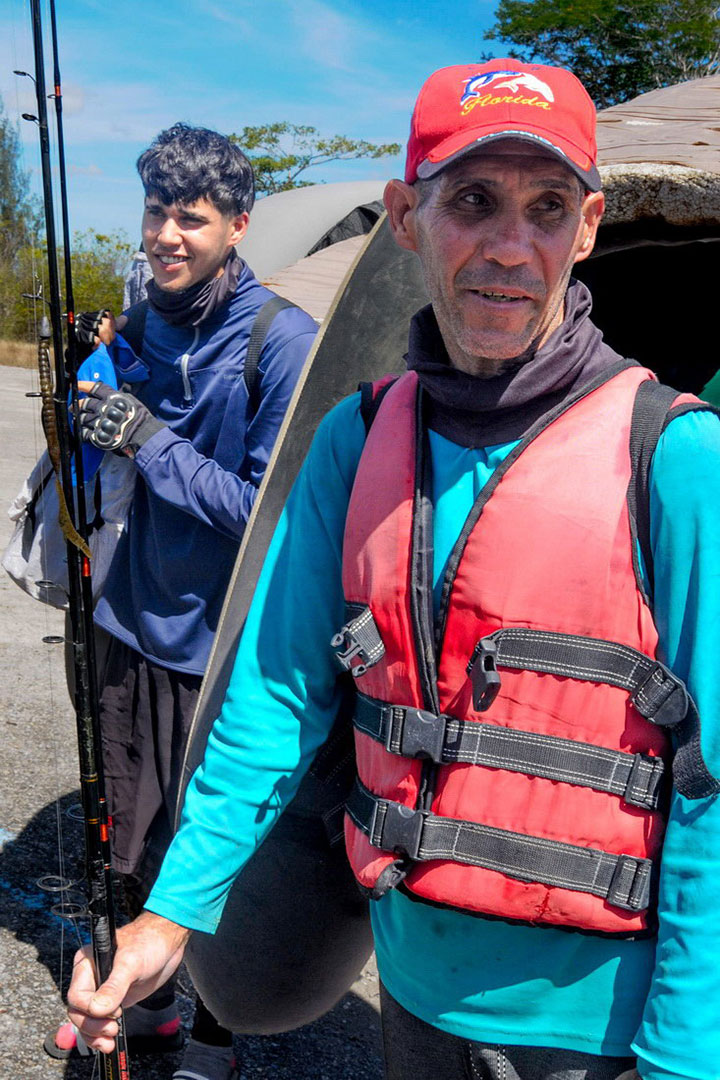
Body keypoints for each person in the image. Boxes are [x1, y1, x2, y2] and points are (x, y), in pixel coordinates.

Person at [66, 61, 720, 1080]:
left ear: (587, 229)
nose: (510, 248)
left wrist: (686, 1053)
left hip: (603, 1033)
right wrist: (172, 913)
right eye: (472, 202)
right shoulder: (354, 440)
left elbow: (712, 785)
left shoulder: (675, 459)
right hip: (412, 999)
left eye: (547, 208)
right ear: (406, 216)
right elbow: (274, 696)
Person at [48, 123, 317, 1080]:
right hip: (126, 616)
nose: (167, 234)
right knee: (125, 834)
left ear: (238, 224)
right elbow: (112, 427)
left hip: (222, 650)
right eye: (157, 211)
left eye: (191, 219)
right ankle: (148, 1007)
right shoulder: (143, 306)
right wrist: (92, 368)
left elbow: (266, 511)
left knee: (210, 851)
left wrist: (148, 437)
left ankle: (217, 1027)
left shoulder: (283, 343)